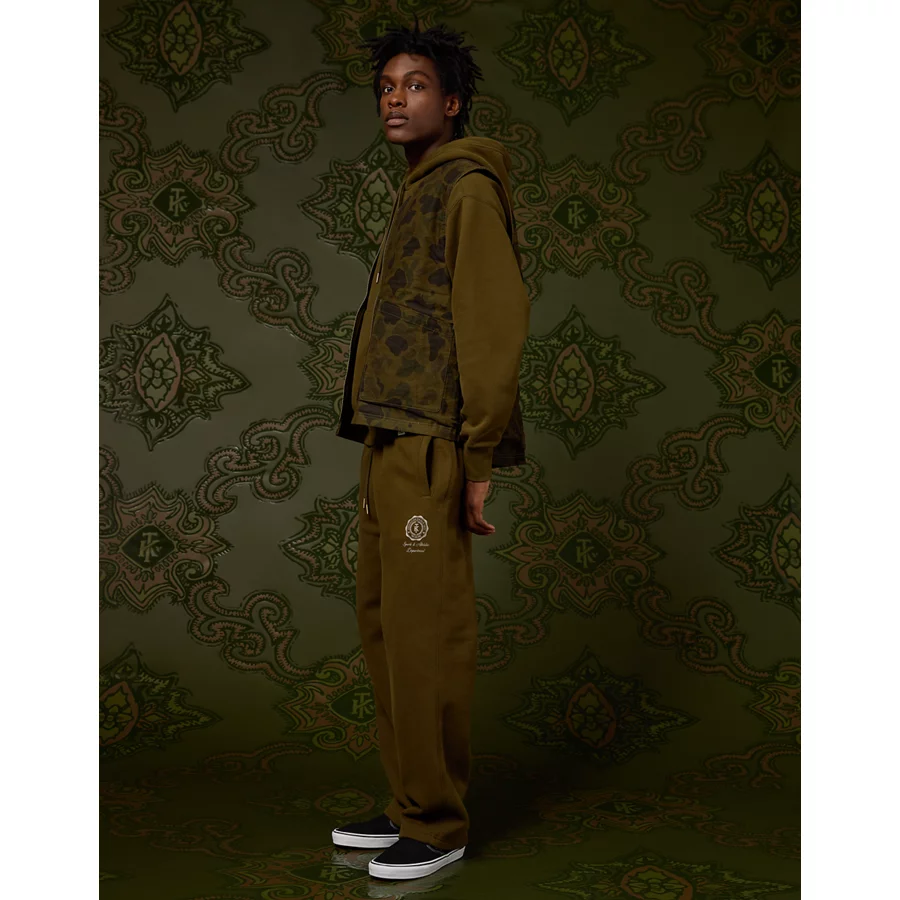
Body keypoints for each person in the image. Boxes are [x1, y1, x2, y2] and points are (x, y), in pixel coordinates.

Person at [330, 18, 530, 881]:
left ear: (451, 103)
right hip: (387, 435)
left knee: (426, 634)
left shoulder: (467, 189)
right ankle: (410, 798)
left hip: (431, 444)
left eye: (414, 85)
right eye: (386, 86)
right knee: (385, 627)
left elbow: (491, 328)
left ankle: (439, 823)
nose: (395, 99)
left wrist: (476, 462)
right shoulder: (418, 188)